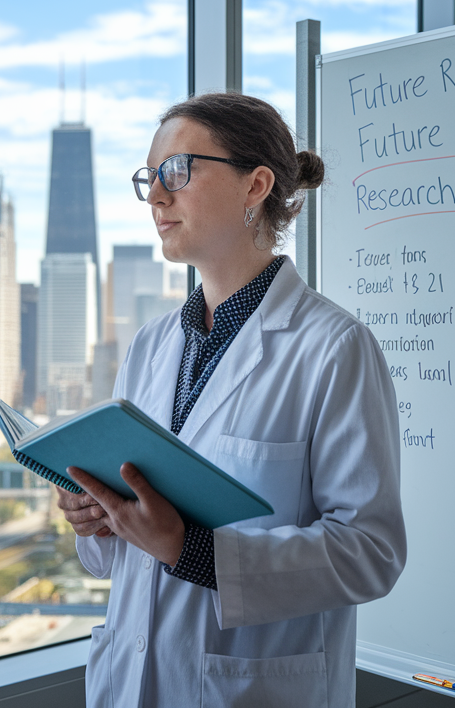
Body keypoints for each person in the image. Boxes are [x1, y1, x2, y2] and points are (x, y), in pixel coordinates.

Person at [59, 92, 406, 707]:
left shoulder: (333, 347)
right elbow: (112, 563)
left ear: (256, 186)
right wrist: (99, 517)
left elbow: (369, 553)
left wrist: (190, 549)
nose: (157, 197)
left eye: (176, 170)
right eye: (149, 179)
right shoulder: (151, 346)